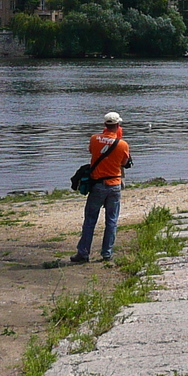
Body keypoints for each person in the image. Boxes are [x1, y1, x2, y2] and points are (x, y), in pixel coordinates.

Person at [72, 111, 132, 263]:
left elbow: (92, 151)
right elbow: (125, 163)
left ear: (105, 125)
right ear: (118, 125)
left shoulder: (94, 139)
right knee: (111, 220)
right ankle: (107, 253)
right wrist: (117, 139)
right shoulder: (123, 144)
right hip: (115, 185)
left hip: (98, 184)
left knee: (90, 220)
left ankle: (83, 253)